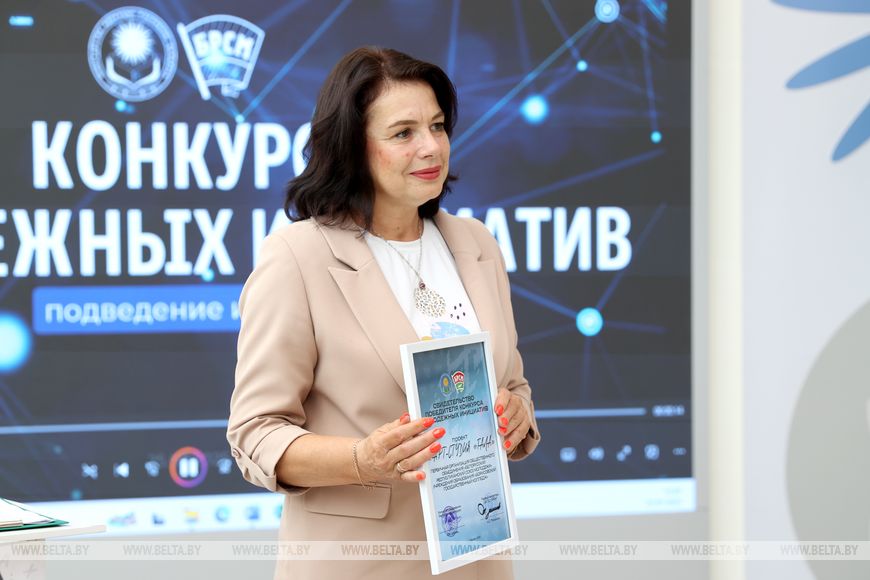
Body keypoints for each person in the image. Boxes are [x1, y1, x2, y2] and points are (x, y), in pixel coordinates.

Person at [227, 46, 542, 580]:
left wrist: (516, 414)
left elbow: (514, 385)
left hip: (477, 558)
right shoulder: (298, 256)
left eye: (437, 126)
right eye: (403, 133)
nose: (431, 147)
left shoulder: (477, 243)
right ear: (352, 147)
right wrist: (362, 459)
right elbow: (255, 433)